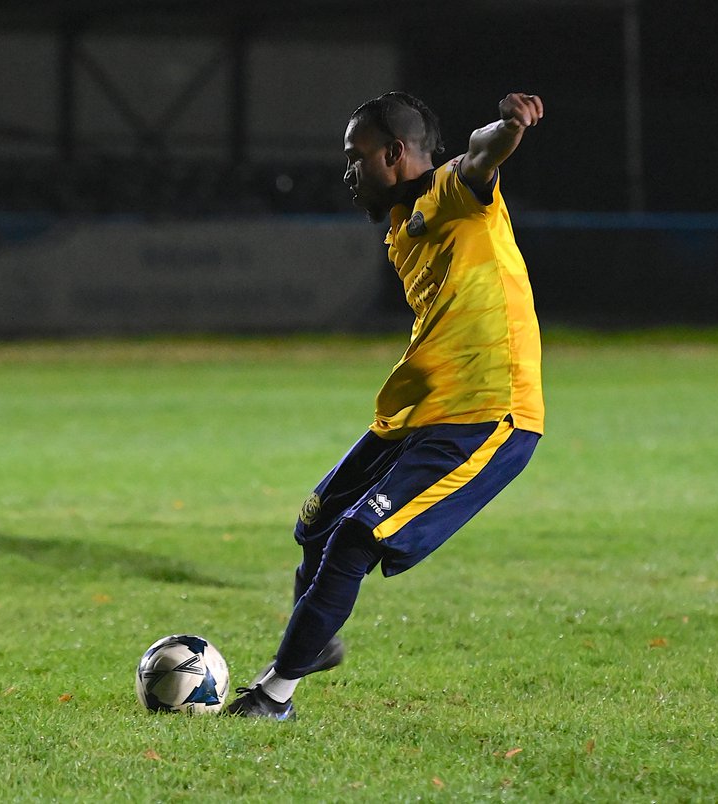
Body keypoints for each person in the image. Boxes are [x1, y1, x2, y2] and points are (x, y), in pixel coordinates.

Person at [226, 91, 546, 719]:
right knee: (317, 520)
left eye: (356, 157)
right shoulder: (404, 222)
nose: (348, 172)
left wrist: (509, 126)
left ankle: (276, 694)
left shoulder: (452, 192)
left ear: (396, 153)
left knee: (355, 539)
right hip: (422, 406)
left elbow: (482, 156)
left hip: (489, 413)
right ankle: (312, 644)